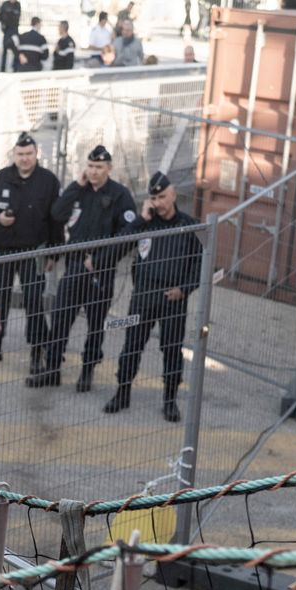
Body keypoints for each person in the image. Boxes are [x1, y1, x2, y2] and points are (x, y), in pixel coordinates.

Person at [35, 145, 135, 389]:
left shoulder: (120, 195)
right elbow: (57, 213)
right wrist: (75, 186)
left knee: (94, 325)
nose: (93, 172)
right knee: (61, 318)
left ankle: (87, 371)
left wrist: (100, 260)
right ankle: (52, 369)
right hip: (75, 266)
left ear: (109, 168)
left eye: (99, 167)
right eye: (90, 166)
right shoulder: (80, 191)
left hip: (100, 272)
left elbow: (129, 235)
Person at [106, 172, 202, 421]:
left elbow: (199, 266)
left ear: (173, 195)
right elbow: (118, 247)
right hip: (143, 297)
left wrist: (185, 289)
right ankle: (122, 392)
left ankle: (170, 400)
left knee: (171, 350)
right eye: (153, 198)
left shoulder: (189, 225)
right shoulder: (146, 223)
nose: (158, 202)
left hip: (173, 300)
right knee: (131, 347)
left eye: (162, 196)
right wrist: (140, 219)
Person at [0, 132, 60, 364]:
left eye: (29, 154)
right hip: (4, 249)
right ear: (14, 154)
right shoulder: (3, 176)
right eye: (20, 154)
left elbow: (56, 220)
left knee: (34, 300)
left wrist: (54, 252)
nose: (24, 158)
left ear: (36, 154)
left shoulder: (48, 180)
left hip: (33, 251)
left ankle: (38, 348)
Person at [0, 0, 22, 71]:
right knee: (5, 50)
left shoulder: (18, 4)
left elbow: (17, 17)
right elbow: (1, 16)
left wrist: (8, 15)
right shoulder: (5, 4)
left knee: (16, 49)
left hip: (14, 30)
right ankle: (2, 69)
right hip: (6, 30)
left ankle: (15, 68)